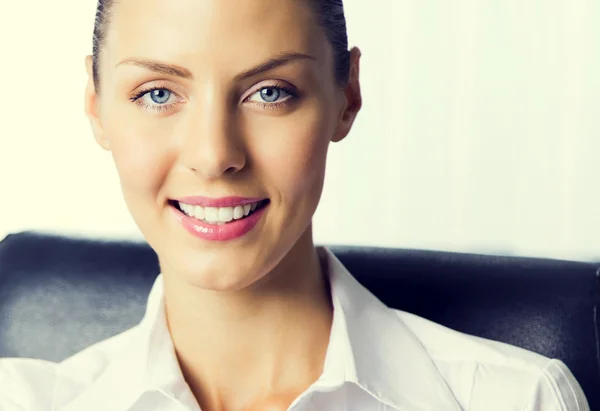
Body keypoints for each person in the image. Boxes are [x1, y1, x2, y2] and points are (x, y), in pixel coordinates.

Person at [0, 0, 590, 410]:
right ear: (97, 106)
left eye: (269, 92)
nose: (214, 155)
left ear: (346, 97)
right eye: (157, 93)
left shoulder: (513, 400)